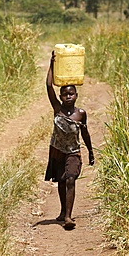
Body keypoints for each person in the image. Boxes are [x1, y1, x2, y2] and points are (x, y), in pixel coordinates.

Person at [45, 51, 95, 229]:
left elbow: (85, 133)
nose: (68, 96)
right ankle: (62, 211)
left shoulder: (80, 114)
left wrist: (90, 152)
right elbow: (49, 86)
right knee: (61, 181)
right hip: (57, 150)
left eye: (71, 94)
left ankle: (68, 216)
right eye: (65, 94)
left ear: (76, 96)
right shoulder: (57, 109)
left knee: (71, 179)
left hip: (73, 151)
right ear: (60, 97)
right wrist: (52, 65)